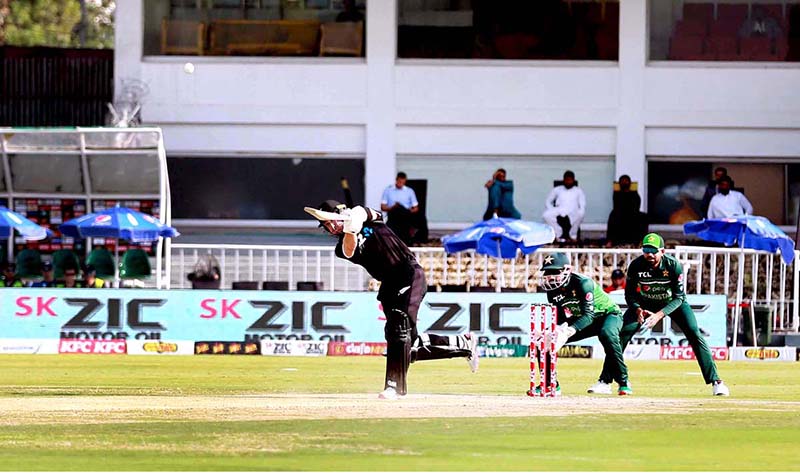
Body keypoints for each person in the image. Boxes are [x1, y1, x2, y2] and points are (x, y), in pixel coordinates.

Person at [308, 200, 479, 399]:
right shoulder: (342, 245)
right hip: (388, 284)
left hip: (408, 272)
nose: (329, 229)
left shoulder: (371, 221)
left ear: (338, 215)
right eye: (326, 226)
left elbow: (370, 213)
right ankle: (464, 343)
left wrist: (354, 217)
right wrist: (351, 230)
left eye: (329, 223)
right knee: (410, 345)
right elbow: (349, 250)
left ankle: (394, 386)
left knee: (399, 325)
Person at [596, 233, 730, 396]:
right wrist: (637, 308)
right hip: (644, 303)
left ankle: (717, 382)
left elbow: (679, 297)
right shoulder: (636, 265)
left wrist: (659, 315)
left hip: (673, 303)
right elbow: (629, 294)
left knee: (695, 334)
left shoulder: (673, 266)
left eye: (653, 250)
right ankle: (604, 381)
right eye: (646, 250)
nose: (649, 254)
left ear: (662, 251)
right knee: (620, 335)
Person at [539, 253, 631, 395]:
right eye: (547, 272)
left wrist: (570, 330)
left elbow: (589, 315)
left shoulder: (582, 283)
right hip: (582, 319)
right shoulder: (552, 290)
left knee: (607, 335)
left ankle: (623, 381)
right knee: (543, 341)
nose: (550, 277)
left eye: (554, 272)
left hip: (607, 315)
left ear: (567, 270)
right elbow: (560, 317)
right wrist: (553, 331)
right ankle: (550, 384)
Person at [606, 174, 647, 247]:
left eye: (626, 181)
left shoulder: (634, 194)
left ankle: (641, 241)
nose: (624, 183)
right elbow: (617, 206)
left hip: (633, 214)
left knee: (643, 217)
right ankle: (610, 241)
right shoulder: (617, 194)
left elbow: (637, 205)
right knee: (613, 216)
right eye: (622, 181)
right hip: (619, 214)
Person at [543, 170, 586, 242]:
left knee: (581, 213)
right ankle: (558, 233)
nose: (568, 182)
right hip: (560, 209)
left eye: (570, 180)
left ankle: (573, 235)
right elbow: (548, 201)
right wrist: (551, 209)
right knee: (546, 215)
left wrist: (581, 210)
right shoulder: (557, 189)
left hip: (573, 210)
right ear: (564, 180)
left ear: (573, 180)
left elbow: (582, 204)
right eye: (566, 180)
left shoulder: (578, 191)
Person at [381, 172, 420, 246]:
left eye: (402, 182)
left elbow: (415, 208)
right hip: (393, 215)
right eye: (399, 182)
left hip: (405, 216)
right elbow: (383, 207)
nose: (400, 183)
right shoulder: (388, 190)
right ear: (396, 180)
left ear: (405, 181)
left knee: (405, 233)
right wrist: (392, 207)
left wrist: (408, 211)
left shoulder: (409, 191)